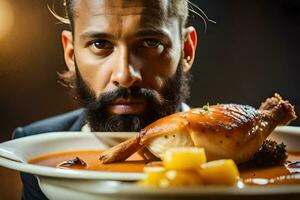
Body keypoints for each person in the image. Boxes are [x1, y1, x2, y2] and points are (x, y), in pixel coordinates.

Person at [13, 0, 207, 199]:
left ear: (187, 50)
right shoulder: (34, 151)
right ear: (71, 54)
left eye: (150, 42)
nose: (124, 75)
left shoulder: (236, 151)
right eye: (100, 44)